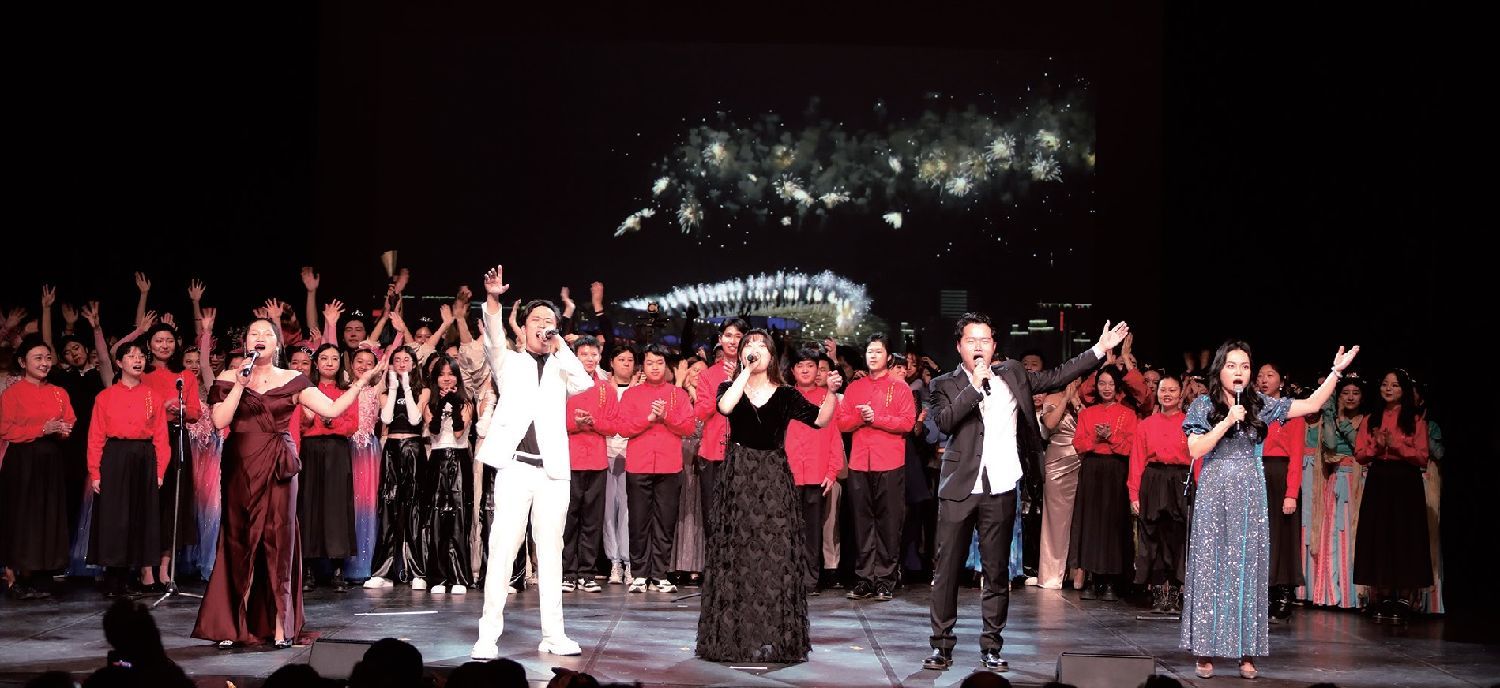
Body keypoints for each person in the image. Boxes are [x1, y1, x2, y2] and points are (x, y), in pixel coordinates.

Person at [924, 314, 1126, 672]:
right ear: (959, 346)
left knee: (996, 572)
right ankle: (941, 645)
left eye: (984, 341)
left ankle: (991, 646)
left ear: (994, 346)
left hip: (1001, 484)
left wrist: (1099, 349)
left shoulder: (1013, 373)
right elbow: (944, 423)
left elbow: (1058, 375)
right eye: (971, 341)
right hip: (959, 486)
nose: (978, 347)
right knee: (947, 571)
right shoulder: (944, 383)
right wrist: (975, 385)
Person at [191, 317, 381, 648]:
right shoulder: (229, 377)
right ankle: (235, 623)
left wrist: (360, 383)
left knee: (278, 539)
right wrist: (241, 384)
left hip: (279, 463)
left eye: (267, 333)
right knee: (239, 540)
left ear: (277, 343)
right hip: (240, 466)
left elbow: (332, 410)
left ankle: (282, 625)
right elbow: (220, 420)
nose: (260, 337)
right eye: (254, 333)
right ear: (246, 342)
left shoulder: (293, 379)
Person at [1180, 340, 1358, 679]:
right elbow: (1196, 449)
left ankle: (1246, 652)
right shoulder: (1203, 405)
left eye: (1245, 366)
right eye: (1232, 365)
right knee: (1210, 568)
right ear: (1220, 369)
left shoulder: (1259, 404)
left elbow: (1311, 404)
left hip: (1250, 489)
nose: (1239, 372)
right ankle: (1204, 650)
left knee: (1247, 569)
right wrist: (1226, 422)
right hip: (1215, 489)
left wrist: (1335, 373)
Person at [470, 265, 595, 660]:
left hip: (553, 472)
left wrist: (561, 348)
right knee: (503, 549)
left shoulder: (561, 365)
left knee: (551, 552)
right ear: (522, 328)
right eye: (536, 320)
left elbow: (585, 384)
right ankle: (487, 636)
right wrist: (493, 299)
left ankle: (554, 635)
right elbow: (493, 335)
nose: (543, 326)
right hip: (515, 467)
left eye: (549, 321)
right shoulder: (509, 361)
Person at [697, 329, 841, 663]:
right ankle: (734, 635)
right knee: (737, 553)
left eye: (761, 345)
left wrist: (832, 394)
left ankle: (774, 637)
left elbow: (820, 420)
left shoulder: (786, 394)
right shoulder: (730, 387)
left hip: (773, 475)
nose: (755, 349)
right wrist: (744, 371)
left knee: (773, 554)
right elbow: (725, 407)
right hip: (738, 474)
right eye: (749, 345)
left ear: (772, 355)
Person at [87, 339, 169, 597]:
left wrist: (159, 471)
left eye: (141, 356)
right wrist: (95, 472)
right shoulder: (105, 397)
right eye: (131, 356)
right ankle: (113, 580)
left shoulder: (153, 396)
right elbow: (96, 436)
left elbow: (161, 437)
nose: (138, 360)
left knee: (139, 517)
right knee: (115, 517)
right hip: (115, 457)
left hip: (144, 458)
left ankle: (133, 577)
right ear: (119, 363)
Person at [0, 336, 76, 600]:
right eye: (38, 358)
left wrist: (63, 429)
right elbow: (6, 429)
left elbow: (69, 419)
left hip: (51, 461)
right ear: (23, 362)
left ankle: (41, 574)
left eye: (48, 358)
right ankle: (14, 577)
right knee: (21, 517)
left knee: (47, 516)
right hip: (22, 461)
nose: (45, 363)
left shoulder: (58, 392)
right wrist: (42, 428)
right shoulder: (12, 393)